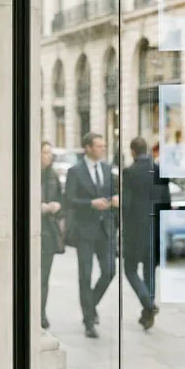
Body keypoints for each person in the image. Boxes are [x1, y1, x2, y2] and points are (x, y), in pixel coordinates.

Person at [64, 132, 118, 339]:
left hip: (105, 229)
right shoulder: (75, 171)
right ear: (87, 148)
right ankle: (88, 321)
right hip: (84, 230)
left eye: (103, 146)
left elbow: (111, 191)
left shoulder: (106, 168)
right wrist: (90, 204)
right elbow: (69, 200)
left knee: (109, 271)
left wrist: (114, 199)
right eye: (98, 146)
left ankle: (91, 305)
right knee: (85, 276)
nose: (102, 149)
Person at [121, 137, 170, 330]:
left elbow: (127, 205)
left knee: (130, 269)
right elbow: (166, 201)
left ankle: (148, 305)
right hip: (155, 227)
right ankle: (147, 315)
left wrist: (121, 228)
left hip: (135, 231)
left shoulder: (130, 172)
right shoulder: (158, 170)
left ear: (133, 151)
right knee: (149, 272)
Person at [39, 141, 64, 330]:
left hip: (49, 232)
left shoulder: (53, 175)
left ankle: (41, 312)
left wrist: (57, 207)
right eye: (45, 152)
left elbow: (61, 199)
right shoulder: (30, 173)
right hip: (34, 230)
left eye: (50, 152)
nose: (49, 156)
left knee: (44, 277)